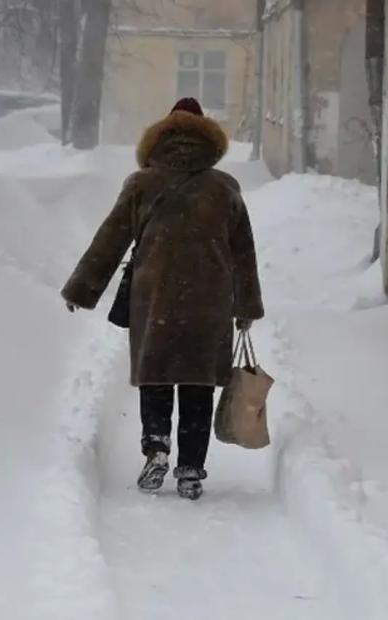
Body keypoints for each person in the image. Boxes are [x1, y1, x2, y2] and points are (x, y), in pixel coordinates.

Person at [61, 98, 264, 500]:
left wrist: (82, 289)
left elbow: (111, 239)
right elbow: (243, 252)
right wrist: (246, 307)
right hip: (210, 300)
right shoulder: (224, 188)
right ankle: (190, 468)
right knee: (198, 384)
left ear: (160, 138)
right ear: (209, 141)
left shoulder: (142, 184)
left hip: (155, 299)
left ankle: (156, 448)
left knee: (156, 377)